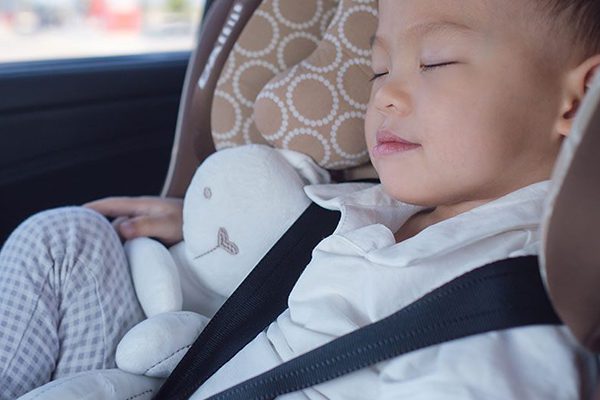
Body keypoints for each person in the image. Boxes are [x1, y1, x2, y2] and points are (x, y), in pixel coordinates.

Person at [2, 0, 600, 398]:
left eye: (434, 61)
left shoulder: (510, 320)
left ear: (579, 99)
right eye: (377, 69)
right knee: (65, 241)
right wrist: (203, 222)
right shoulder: (380, 207)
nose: (385, 93)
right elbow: (279, 255)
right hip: (196, 364)